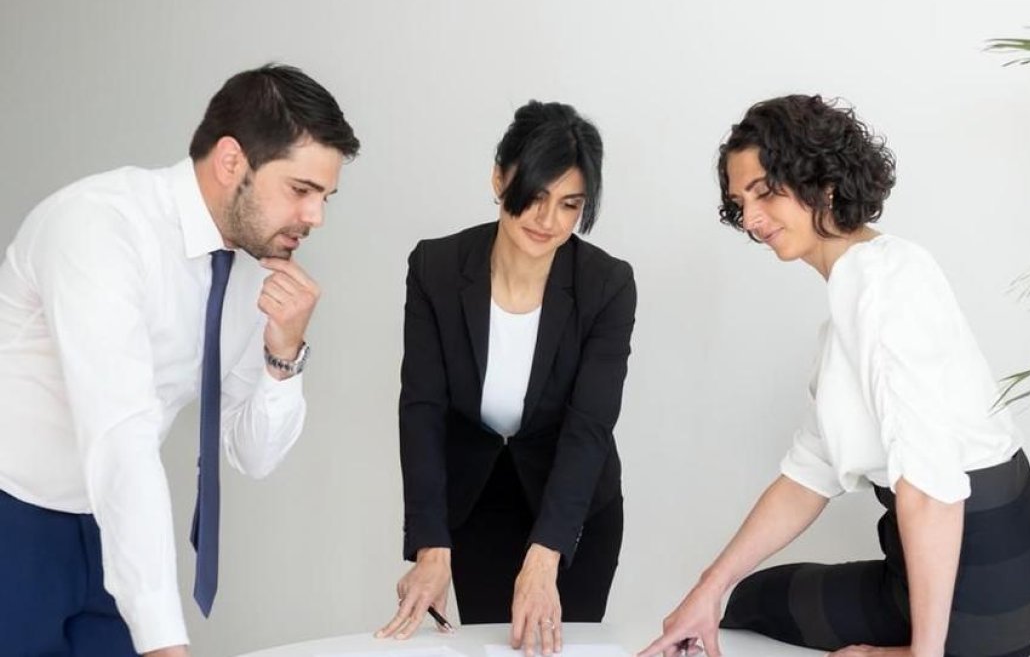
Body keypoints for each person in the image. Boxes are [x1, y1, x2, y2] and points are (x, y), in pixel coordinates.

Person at [639, 95, 1030, 657]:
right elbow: (809, 474)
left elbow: (931, 489)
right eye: (740, 202)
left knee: (763, 604)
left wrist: (920, 655)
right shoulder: (877, 275)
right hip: (1023, 575)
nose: (752, 219)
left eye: (766, 191)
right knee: (747, 598)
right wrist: (709, 590)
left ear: (823, 181)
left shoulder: (880, 293)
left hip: (982, 595)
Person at [0, 64, 359, 656]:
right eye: (301, 190)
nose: (316, 217)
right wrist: (167, 643)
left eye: (326, 196)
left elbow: (252, 453)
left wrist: (283, 353)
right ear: (230, 161)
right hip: (15, 516)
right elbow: (120, 435)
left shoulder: (249, 270)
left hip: (108, 525)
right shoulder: (99, 227)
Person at [376, 100, 635, 657]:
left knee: (562, 649)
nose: (548, 221)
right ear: (499, 178)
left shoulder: (606, 285)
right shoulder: (437, 269)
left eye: (570, 205)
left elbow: (590, 426)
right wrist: (431, 543)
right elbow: (421, 408)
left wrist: (545, 556)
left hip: (573, 507)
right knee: (494, 648)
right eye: (535, 197)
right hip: (479, 500)